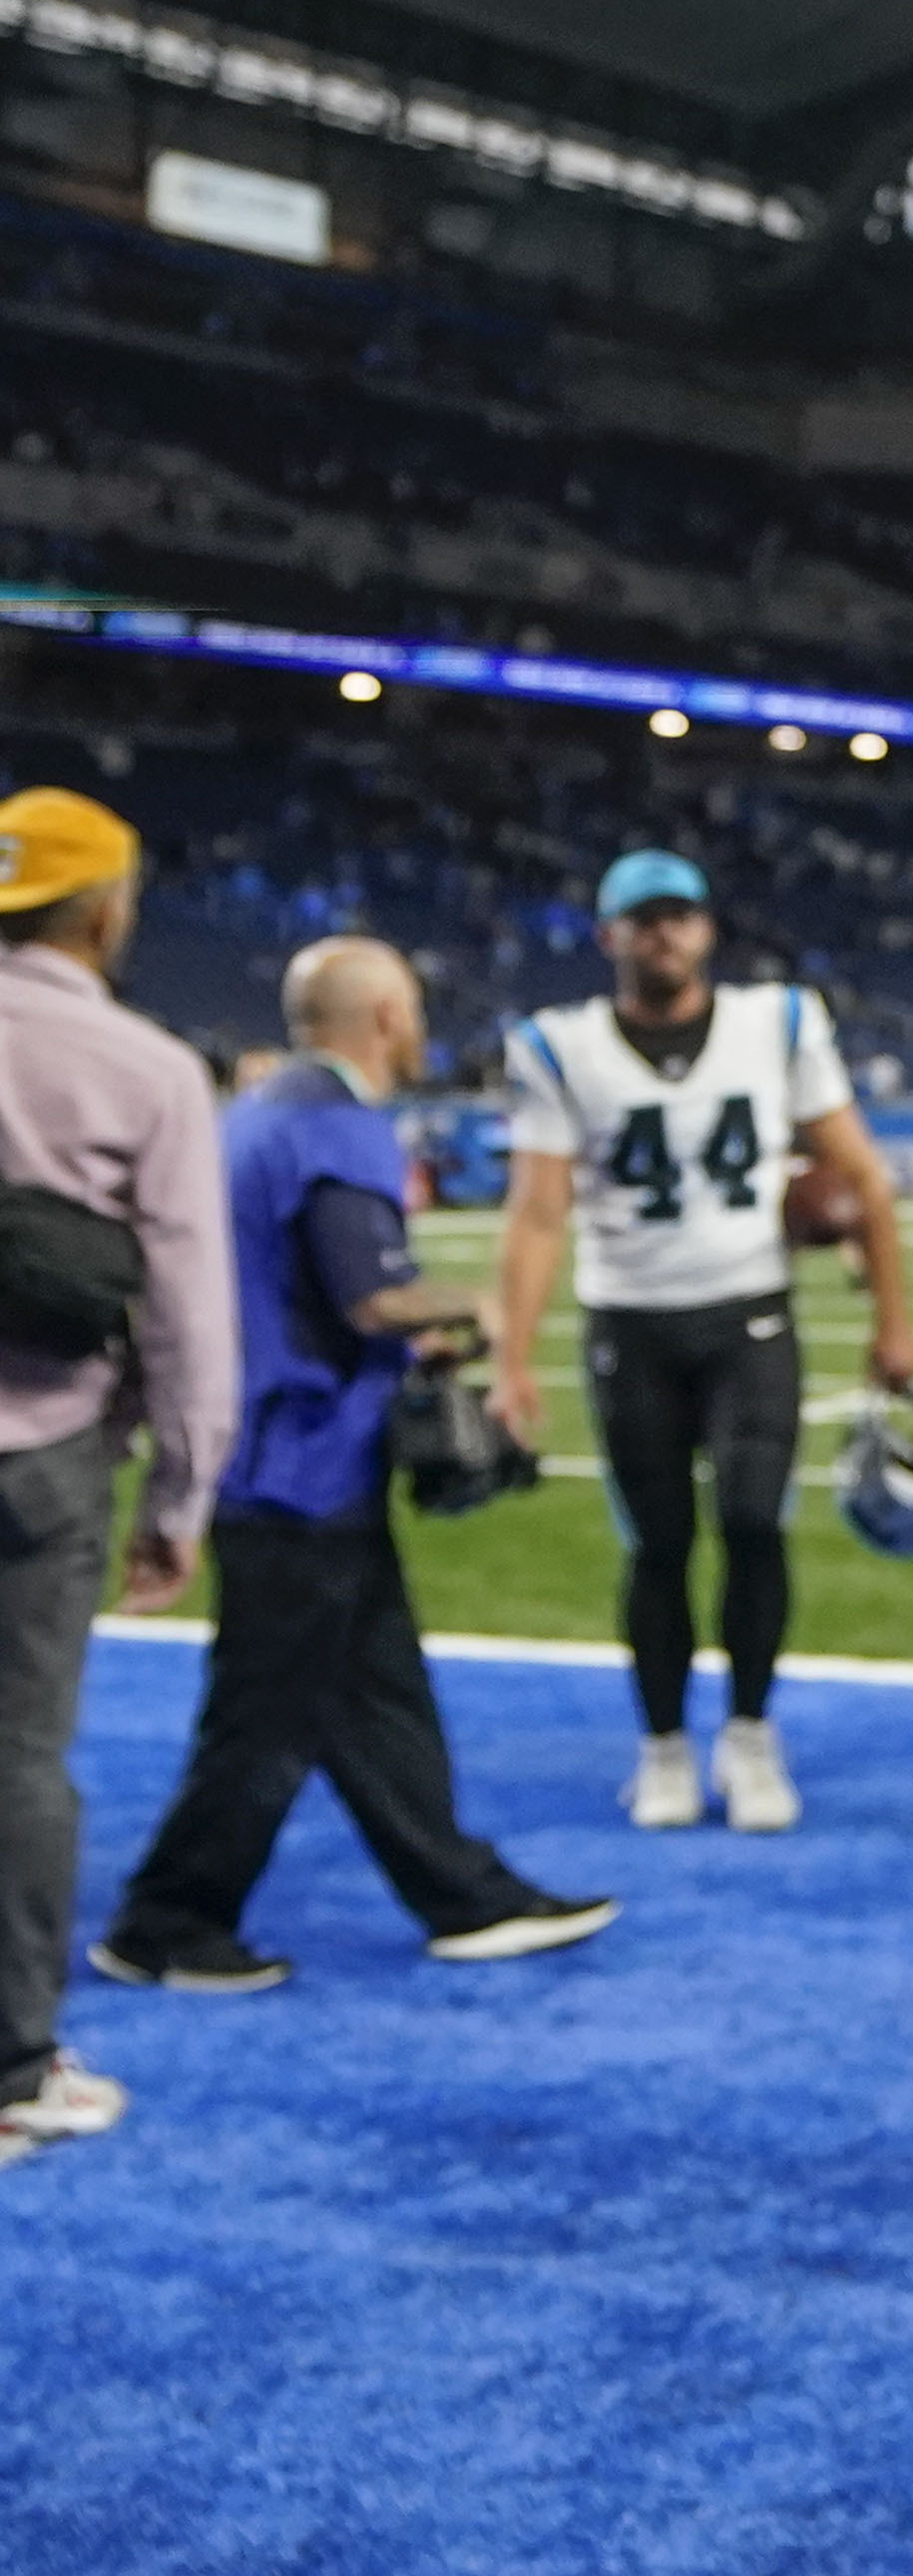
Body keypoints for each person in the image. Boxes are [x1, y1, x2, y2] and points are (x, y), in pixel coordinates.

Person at [92, 939, 616, 1989]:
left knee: (377, 1697)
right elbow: (370, 1296)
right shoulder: (336, 1127)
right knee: (265, 1720)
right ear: (382, 1016)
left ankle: (464, 1896)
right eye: (413, 1008)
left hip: (274, 1453)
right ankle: (167, 1923)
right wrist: (478, 1309)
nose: (422, 1029)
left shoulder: (253, 1116)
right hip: (300, 1465)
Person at [491, 847, 913, 1835]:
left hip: (749, 1314)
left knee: (754, 1524)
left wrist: (894, 1321)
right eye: (643, 918)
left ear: (707, 929)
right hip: (630, 1322)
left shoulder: (777, 1024)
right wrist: (510, 1356)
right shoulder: (558, 1046)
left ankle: (751, 1734)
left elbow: (862, 1177)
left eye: (679, 914)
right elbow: (537, 1214)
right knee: (656, 1546)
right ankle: (663, 1746)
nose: (663, 932)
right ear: (609, 938)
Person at [0, 787, 232, 2164]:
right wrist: (184, 1497)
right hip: (47, 1450)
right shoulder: (144, 1066)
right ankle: (16, 2065)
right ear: (106, 911)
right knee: (19, 1756)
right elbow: (193, 1317)